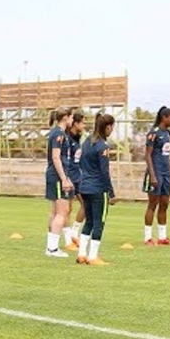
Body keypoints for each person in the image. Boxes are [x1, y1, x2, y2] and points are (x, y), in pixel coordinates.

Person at [77, 113, 116, 266]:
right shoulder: (103, 147)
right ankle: (93, 257)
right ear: (107, 127)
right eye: (112, 127)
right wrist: (111, 192)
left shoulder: (86, 142)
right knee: (99, 222)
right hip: (98, 189)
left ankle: (81, 254)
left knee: (89, 222)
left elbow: (80, 164)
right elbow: (104, 172)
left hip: (84, 187)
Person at [143, 106, 170, 246]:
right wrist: (152, 175)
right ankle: (148, 238)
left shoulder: (168, 133)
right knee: (152, 204)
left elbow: (166, 155)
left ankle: (162, 237)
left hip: (165, 173)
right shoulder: (153, 133)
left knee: (164, 204)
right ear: (164, 118)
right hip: (155, 173)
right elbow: (148, 155)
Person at [44, 107, 74, 258]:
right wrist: (63, 178)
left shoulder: (60, 133)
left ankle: (50, 247)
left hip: (56, 175)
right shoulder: (58, 134)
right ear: (65, 117)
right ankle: (52, 249)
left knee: (56, 212)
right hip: (56, 176)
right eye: (71, 117)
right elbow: (56, 157)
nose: (72, 120)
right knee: (62, 212)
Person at [64, 110, 86, 250]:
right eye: (82, 122)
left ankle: (74, 233)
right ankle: (67, 241)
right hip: (69, 178)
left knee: (86, 205)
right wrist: (66, 178)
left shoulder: (78, 138)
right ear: (75, 123)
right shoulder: (66, 139)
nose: (84, 125)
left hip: (78, 177)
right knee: (67, 209)